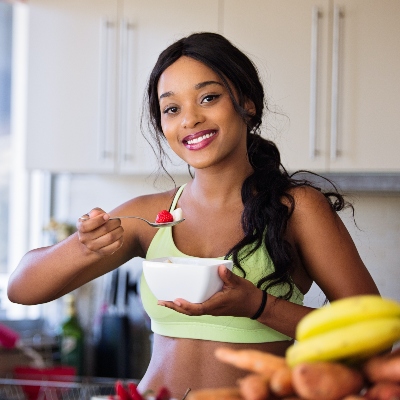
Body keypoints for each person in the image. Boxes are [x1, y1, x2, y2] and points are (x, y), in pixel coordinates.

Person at [8, 32, 379, 398]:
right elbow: (22, 288)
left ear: (246, 103)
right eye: (172, 108)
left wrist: (259, 306)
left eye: (209, 97)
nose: (190, 119)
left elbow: (373, 340)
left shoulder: (296, 209)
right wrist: (85, 247)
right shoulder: (151, 216)